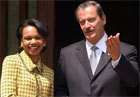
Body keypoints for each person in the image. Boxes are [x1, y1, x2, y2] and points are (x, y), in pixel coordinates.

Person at [54, 0, 139, 96]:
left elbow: (133, 82)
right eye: (82, 22)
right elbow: (60, 89)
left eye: (91, 20)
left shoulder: (126, 50)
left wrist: (117, 58)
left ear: (103, 19)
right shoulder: (67, 54)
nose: (86, 26)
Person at [1, 19, 54, 97]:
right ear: (21, 42)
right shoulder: (11, 62)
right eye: (28, 38)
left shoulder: (49, 73)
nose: (33, 42)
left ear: (44, 42)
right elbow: (7, 95)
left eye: (38, 38)